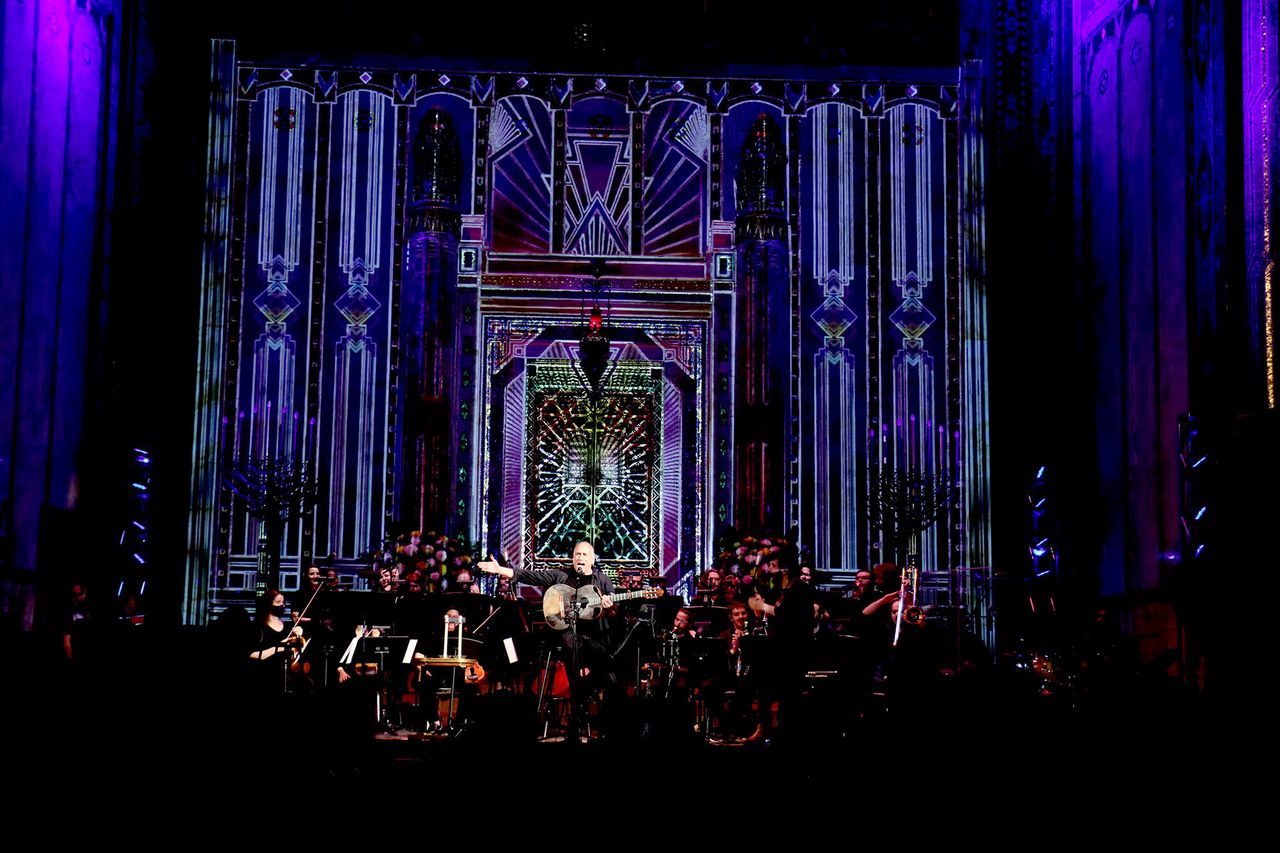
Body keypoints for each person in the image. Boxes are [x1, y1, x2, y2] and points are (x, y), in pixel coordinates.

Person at [478, 541, 619, 740]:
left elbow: (614, 612)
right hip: (567, 636)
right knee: (571, 646)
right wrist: (501, 570)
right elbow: (530, 576)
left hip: (595, 639)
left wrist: (609, 606)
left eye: (584, 555)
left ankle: (607, 727)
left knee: (609, 671)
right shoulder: (561, 576)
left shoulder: (602, 580)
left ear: (592, 559)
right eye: (577, 554)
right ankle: (575, 721)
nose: (580, 558)